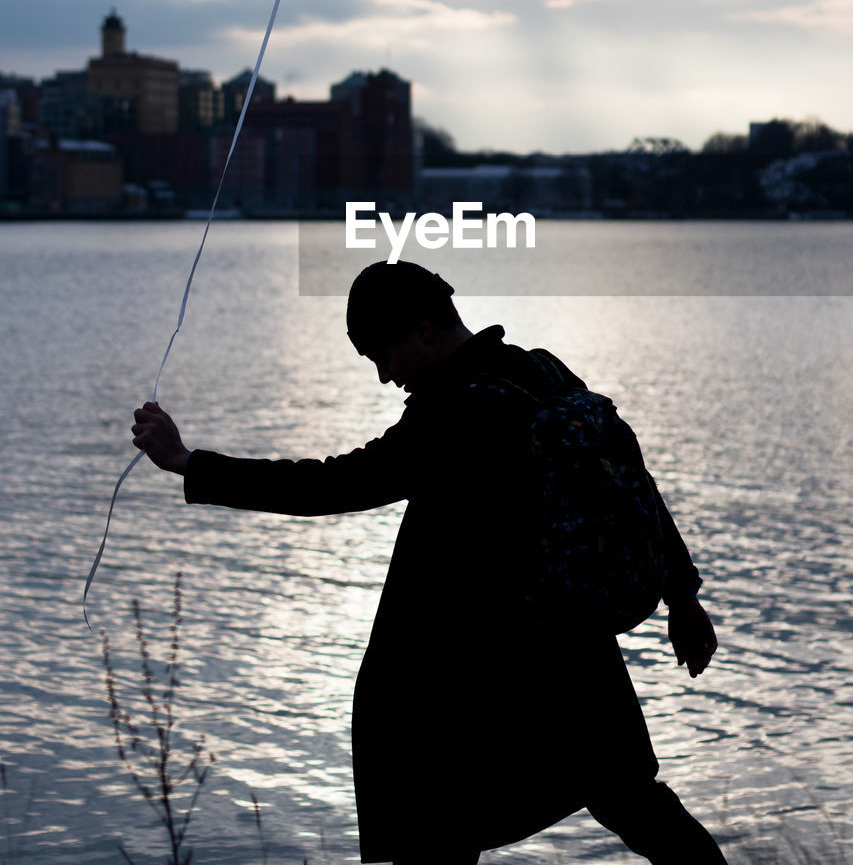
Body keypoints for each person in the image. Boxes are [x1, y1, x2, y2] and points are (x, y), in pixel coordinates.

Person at [132, 260, 729, 865]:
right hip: (575, 652)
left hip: (475, 675)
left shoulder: (454, 410)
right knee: (633, 801)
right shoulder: (543, 369)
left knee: (436, 831)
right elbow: (636, 484)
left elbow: (333, 485)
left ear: (421, 329)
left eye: (381, 356)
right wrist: (682, 596)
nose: (385, 377)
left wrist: (190, 463)